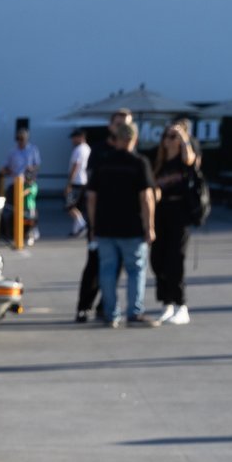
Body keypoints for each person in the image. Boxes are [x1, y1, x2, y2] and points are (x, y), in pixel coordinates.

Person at [84, 118, 156, 326]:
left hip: (105, 226)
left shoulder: (103, 163)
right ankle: (134, 313)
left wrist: (93, 225)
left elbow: (91, 197)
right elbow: (147, 198)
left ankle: (111, 314)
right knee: (135, 270)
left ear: (116, 139)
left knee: (107, 270)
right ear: (133, 139)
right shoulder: (139, 163)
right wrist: (149, 226)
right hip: (131, 227)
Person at [76, 108, 133, 322]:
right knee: (94, 264)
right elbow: (92, 189)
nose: (122, 129)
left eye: (126, 124)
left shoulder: (133, 154)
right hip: (100, 218)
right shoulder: (99, 151)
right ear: (110, 127)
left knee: (116, 265)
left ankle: (104, 305)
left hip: (124, 221)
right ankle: (84, 306)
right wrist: (92, 224)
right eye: (118, 124)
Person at [150, 119, 204, 325]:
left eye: (172, 136)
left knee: (175, 259)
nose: (168, 140)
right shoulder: (158, 162)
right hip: (160, 213)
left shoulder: (184, 160)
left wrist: (183, 138)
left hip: (179, 213)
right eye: (166, 136)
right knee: (157, 260)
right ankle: (167, 303)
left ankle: (181, 305)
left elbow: (191, 159)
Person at [0, 120, 42, 245]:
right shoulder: (12, 152)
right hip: (14, 183)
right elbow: (6, 167)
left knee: (30, 207)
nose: (20, 141)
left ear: (27, 139)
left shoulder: (33, 150)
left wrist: (30, 170)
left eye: (22, 139)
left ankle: (32, 230)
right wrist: (4, 170)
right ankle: (17, 231)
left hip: (28, 183)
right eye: (19, 138)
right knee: (13, 209)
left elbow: (37, 165)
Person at [66, 129, 91, 238]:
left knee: (69, 206)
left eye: (74, 138)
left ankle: (82, 224)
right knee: (78, 207)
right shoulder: (87, 148)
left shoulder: (79, 149)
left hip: (77, 181)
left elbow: (76, 165)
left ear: (80, 137)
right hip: (84, 181)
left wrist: (69, 183)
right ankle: (75, 230)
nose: (72, 140)